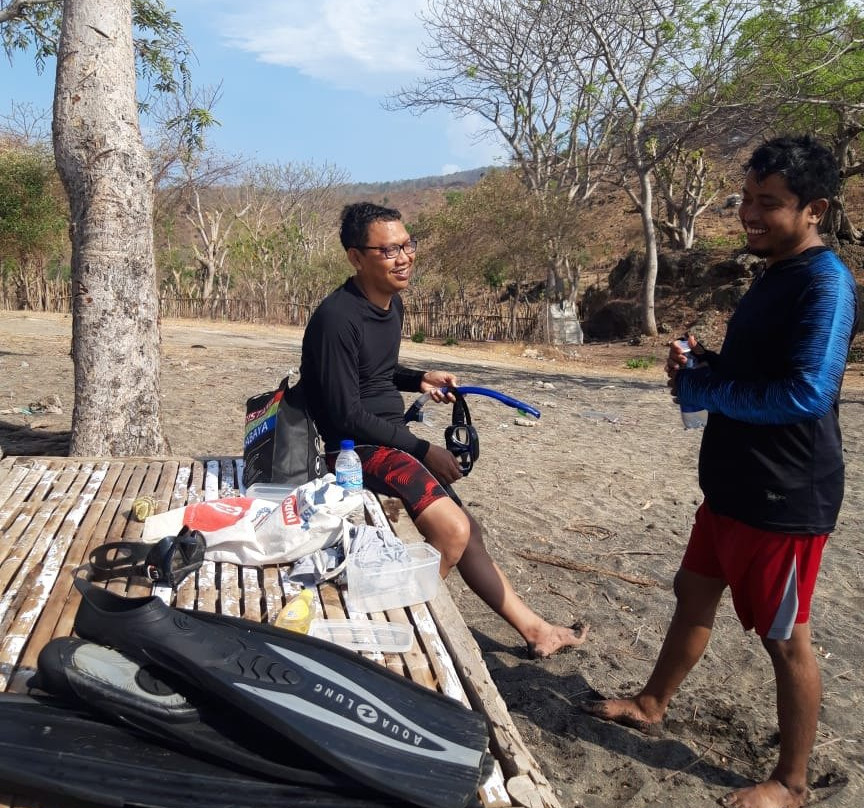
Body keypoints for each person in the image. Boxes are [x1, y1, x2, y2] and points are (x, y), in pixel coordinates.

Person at [582, 134, 858, 808]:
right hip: (732, 488)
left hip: (783, 497)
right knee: (693, 590)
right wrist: (706, 366)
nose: (751, 215)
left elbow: (807, 393)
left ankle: (791, 783)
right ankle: (652, 702)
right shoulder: (775, 273)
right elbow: (761, 372)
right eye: (748, 200)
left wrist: (709, 392)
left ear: (814, 208)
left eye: (771, 204)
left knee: (784, 638)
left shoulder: (825, 284)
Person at [300, 201, 588, 659]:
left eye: (407, 245)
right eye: (389, 249)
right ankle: (388, 633)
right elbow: (342, 412)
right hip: (354, 449)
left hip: (388, 439)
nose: (404, 257)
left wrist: (419, 379)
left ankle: (537, 631)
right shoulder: (337, 318)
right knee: (452, 533)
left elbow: (376, 371)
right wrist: (422, 448)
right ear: (356, 257)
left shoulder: (390, 305)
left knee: (467, 531)